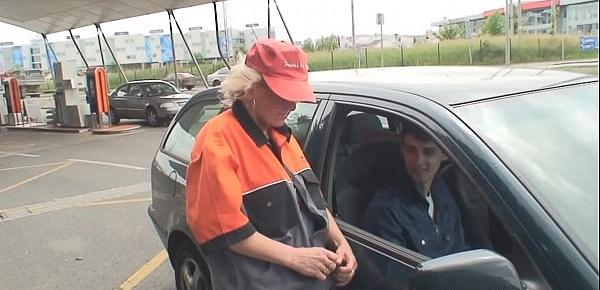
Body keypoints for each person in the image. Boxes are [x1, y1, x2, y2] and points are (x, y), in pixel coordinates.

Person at [186, 39, 357, 290]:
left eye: (295, 96)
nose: (291, 105)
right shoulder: (218, 140)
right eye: (282, 95)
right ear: (250, 86)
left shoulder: (282, 137)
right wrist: (296, 258)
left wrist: (343, 245)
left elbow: (315, 203)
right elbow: (226, 231)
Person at [361, 122, 469, 258]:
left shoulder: (443, 191)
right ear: (402, 150)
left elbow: (460, 248)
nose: (419, 161)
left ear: (445, 154)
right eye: (411, 150)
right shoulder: (386, 209)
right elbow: (396, 275)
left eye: (428, 152)